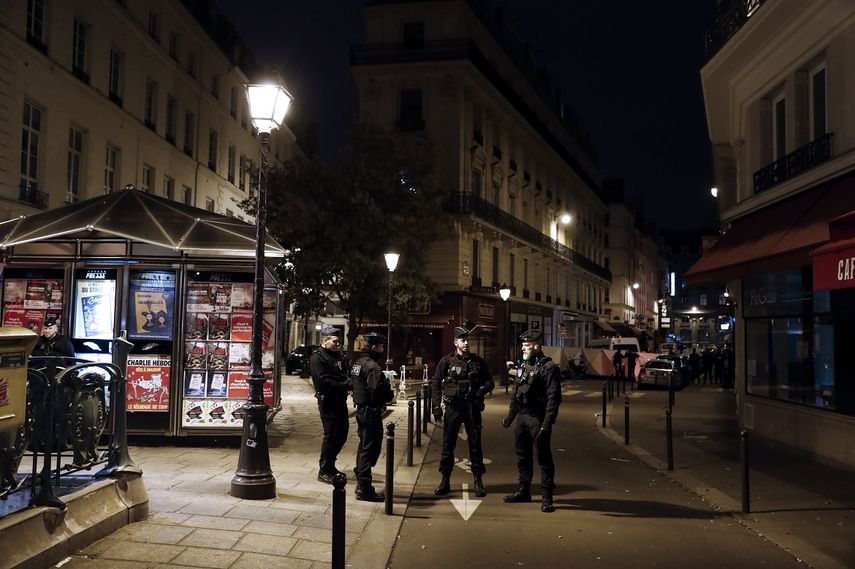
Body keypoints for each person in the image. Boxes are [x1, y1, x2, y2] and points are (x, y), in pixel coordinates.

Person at [502, 329, 562, 512]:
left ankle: (547, 497)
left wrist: (547, 423)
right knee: (522, 456)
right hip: (522, 416)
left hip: (538, 417)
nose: (523, 349)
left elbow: (554, 398)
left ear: (536, 346)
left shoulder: (549, 367)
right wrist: (510, 418)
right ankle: (524, 490)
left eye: (526, 346)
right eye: (522, 346)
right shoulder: (523, 365)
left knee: (543, 457)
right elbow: (516, 393)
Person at [431, 326, 494, 497]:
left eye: (468, 340)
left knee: (475, 445)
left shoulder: (477, 362)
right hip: (453, 408)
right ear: (455, 342)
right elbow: (436, 383)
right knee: (447, 445)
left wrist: (480, 390)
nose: (466, 343)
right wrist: (436, 407)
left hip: (472, 408)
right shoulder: (447, 361)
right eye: (463, 340)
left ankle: (478, 481)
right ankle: (445, 480)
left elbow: (490, 381)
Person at [350, 331, 395, 502]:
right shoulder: (373, 367)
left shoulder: (359, 363)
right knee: (369, 450)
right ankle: (364, 488)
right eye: (381, 346)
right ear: (375, 347)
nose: (383, 349)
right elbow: (377, 391)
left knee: (364, 448)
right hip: (371, 413)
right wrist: (388, 394)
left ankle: (361, 482)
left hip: (361, 411)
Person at [309, 325, 352, 485]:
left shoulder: (337, 356)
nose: (338, 344)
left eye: (339, 341)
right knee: (331, 434)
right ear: (325, 340)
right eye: (334, 341)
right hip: (327, 401)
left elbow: (343, 372)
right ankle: (324, 469)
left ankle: (331, 464)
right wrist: (345, 385)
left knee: (342, 433)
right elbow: (322, 381)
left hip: (339, 400)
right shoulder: (317, 357)